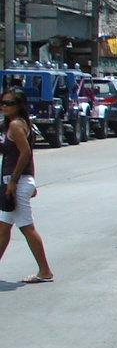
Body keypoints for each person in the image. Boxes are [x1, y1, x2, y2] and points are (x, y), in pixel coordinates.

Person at [0, 89, 53, 284]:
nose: (4, 106)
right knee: (3, 230)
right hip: (16, 181)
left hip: (16, 182)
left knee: (27, 228)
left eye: (9, 103)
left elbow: (25, 153)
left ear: (19, 106)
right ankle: (44, 270)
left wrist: (15, 180)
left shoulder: (15, 125)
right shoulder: (11, 125)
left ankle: (45, 271)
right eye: (2, 103)